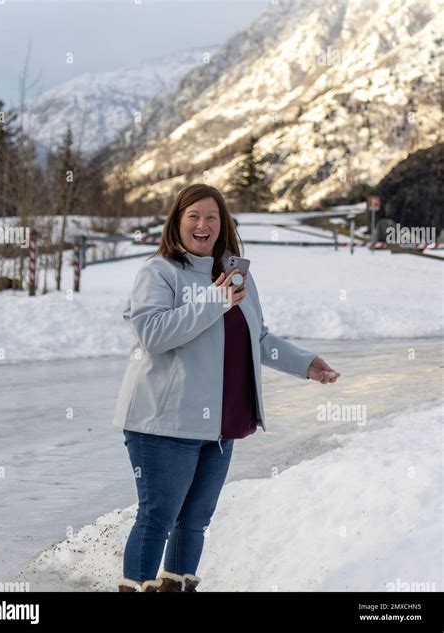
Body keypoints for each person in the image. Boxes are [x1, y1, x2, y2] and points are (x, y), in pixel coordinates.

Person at [112, 183, 340, 592]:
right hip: (163, 425)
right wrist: (214, 302)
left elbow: (260, 339)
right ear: (177, 223)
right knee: (158, 517)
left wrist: (305, 364)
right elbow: (154, 334)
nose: (203, 225)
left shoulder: (235, 276)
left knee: (195, 520)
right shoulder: (159, 272)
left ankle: (177, 587)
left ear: (223, 225)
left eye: (212, 217)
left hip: (218, 424)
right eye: (194, 216)